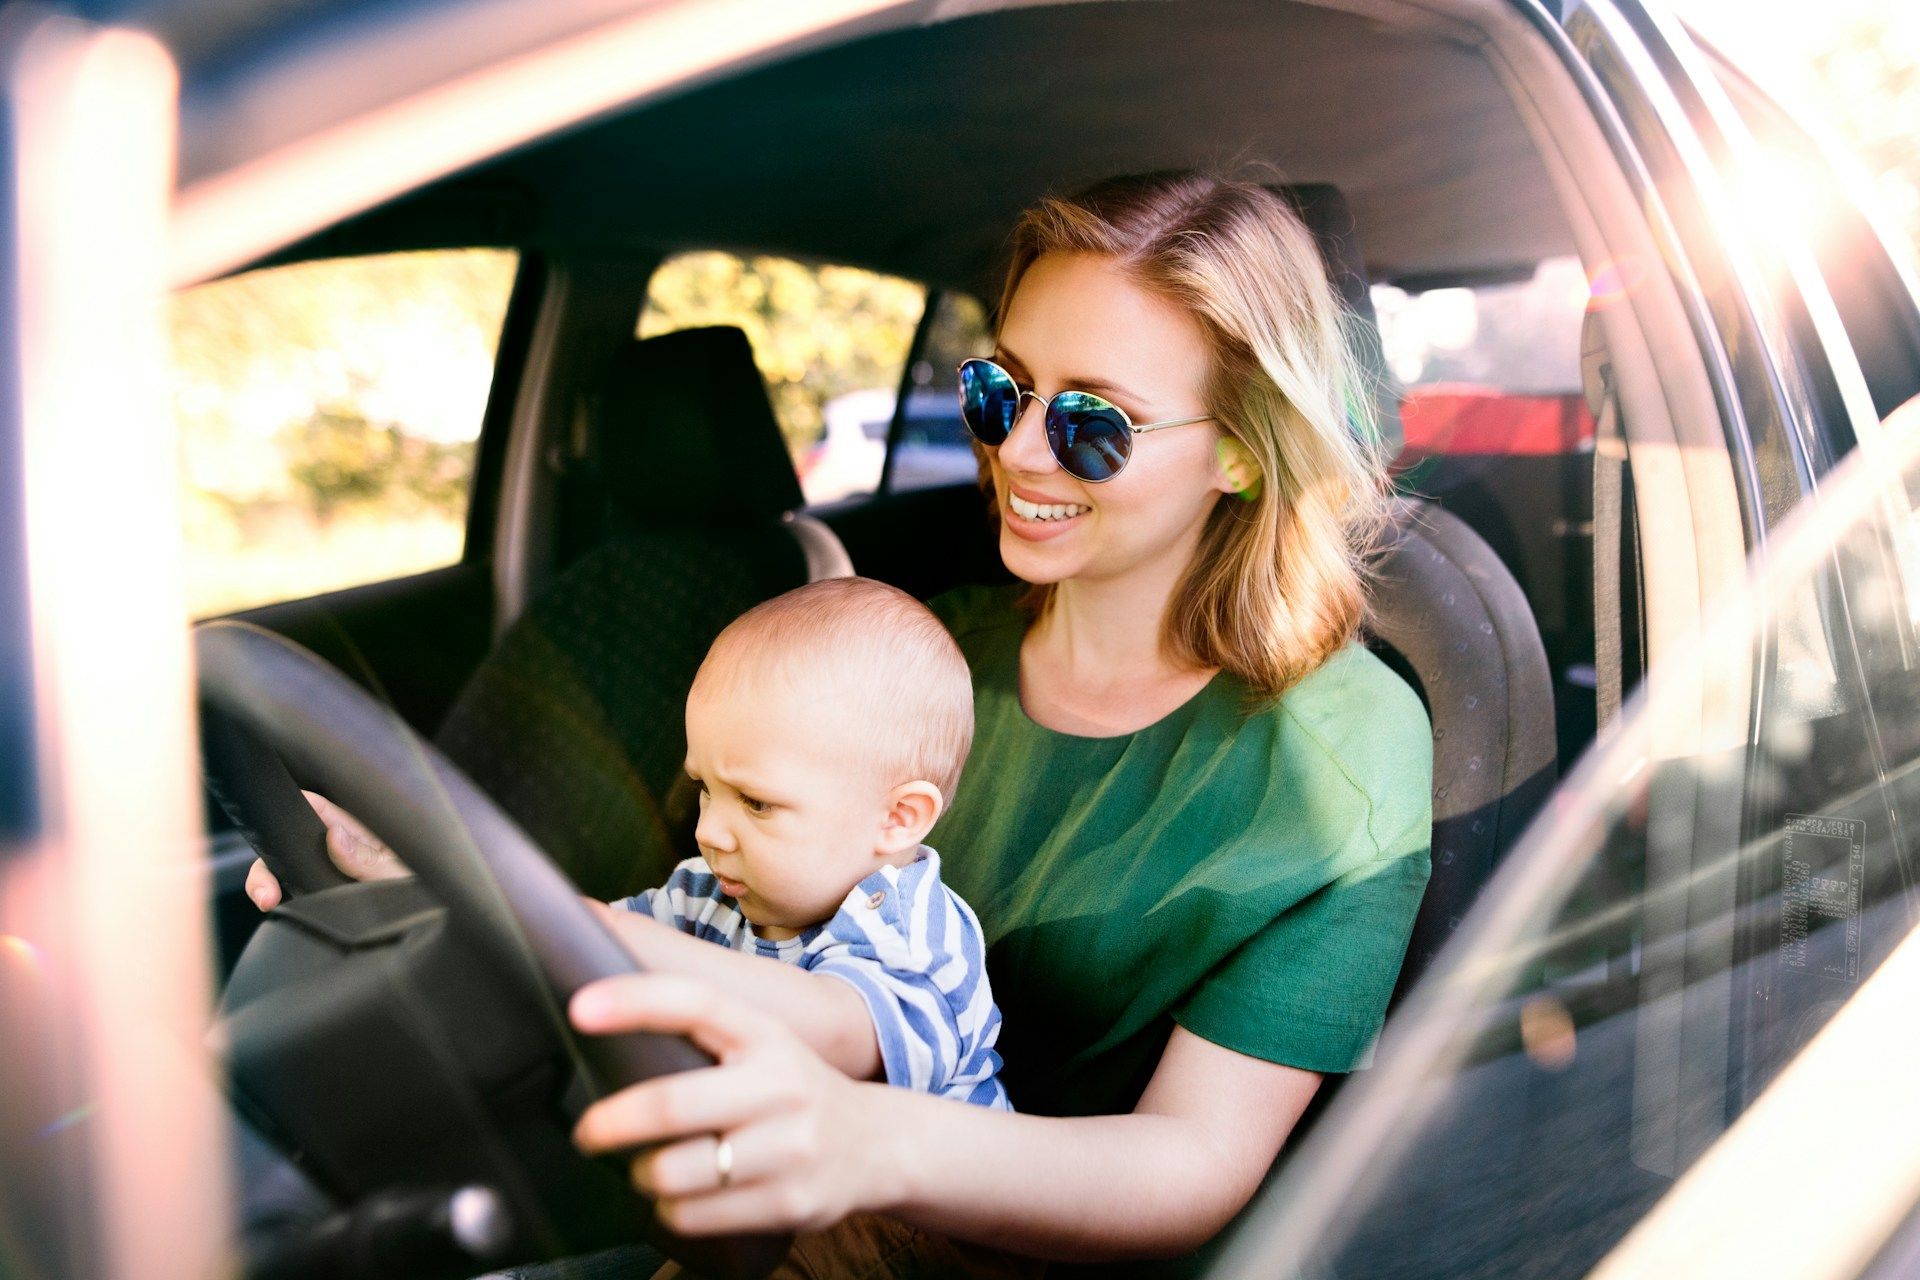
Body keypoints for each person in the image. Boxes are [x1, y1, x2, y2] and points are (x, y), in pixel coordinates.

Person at [253, 170, 1434, 1274]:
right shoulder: (918, 653)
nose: (1016, 448)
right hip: (765, 1190)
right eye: (998, 388)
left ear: (1238, 447)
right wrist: (436, 875)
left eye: (1092, 422)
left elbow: (1195, 1162)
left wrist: (867, 1141)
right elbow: (714, 917)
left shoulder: (1340, 760)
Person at [249, 576, 1011, 1112]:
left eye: (757, 802)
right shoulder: (705, 894)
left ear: (898, 820)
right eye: (705, 789)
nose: (710, 829)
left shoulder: (917, 930)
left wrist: (600, 929)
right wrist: (403, 868)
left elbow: (842, 1034)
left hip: (936, 1240)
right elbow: (564, 947)